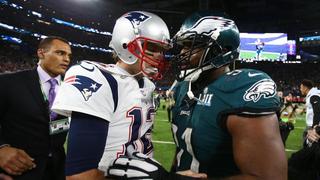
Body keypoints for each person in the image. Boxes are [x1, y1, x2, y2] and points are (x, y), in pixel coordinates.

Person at [108, 11, 287, 179]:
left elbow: (270, 176)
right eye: (183, 46)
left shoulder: (242, 88)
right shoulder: (183, 88)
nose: (183, 53)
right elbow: (183, 153)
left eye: (192, 46)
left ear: (221, 50)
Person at [51, 11, 170, 180]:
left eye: (162, 50)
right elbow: (80, 176)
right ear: (125, 44)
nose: (160, 55)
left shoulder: (148, 85)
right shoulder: (98, 77)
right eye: (152, 47)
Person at [0, 36, 72, 180]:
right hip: (16, 170)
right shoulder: (8, 82)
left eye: (69, 55)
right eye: (60, 53)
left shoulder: (72, 90)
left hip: (57, 172)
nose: (66, 59)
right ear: (41, 53)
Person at [299, 79, 320, 145]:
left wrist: (314, 127)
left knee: (309, 146)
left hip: (313, 125)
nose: (300, 89)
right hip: (313, 125)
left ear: (305, 88)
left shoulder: (313, 95)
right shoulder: (313, 94)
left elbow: (317, 111)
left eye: (301, 87)